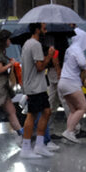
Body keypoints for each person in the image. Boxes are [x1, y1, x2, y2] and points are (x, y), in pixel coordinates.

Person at [16, 23, 57, 159]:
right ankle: (26, 148)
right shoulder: (35, 44)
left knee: (46, 111)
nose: (46, 29)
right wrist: (50, 56)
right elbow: (39, 66)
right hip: (34, 86)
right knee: (32, 115)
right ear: (37, 29)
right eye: (43, 27)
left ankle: (40, 145)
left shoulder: (29, 44)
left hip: (37, 85)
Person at [58, 28, 86, 143]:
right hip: (71, 82)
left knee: (73, 111)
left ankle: (70, 134)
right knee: (83, 107)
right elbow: (82, 63)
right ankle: (68, 132)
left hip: (63, 82)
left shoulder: (69, 49)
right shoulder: (77, 49)